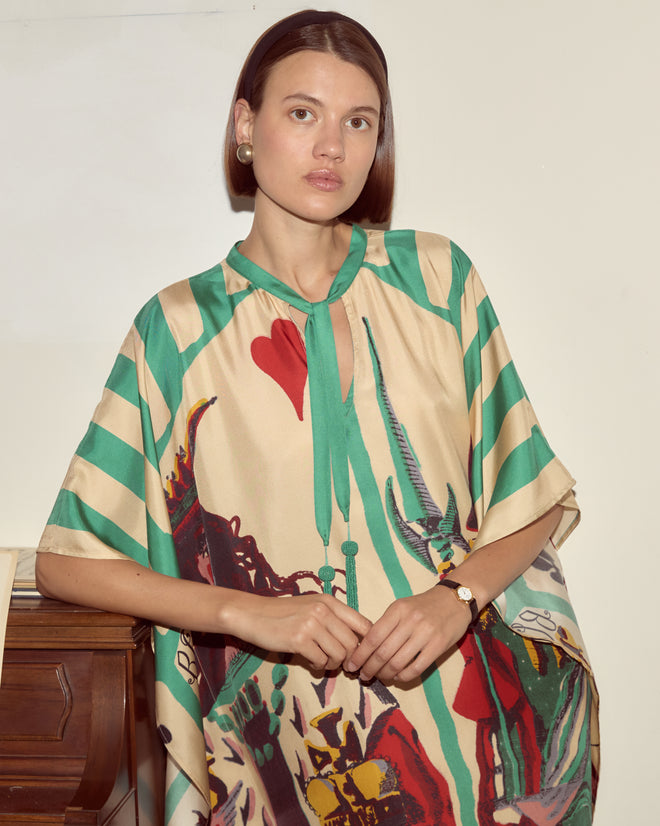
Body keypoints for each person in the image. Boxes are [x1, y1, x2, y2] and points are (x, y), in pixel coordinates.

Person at [36, 9, 599, 826]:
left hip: (476, 741)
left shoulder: (440, 283)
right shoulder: (179, 331)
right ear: (245, 126)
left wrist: (456, 596)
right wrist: (248, 611)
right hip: (295, 756)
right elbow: (69, 561)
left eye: (358, 121)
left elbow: (537, 492)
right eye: (303, 113)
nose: (332, 146)